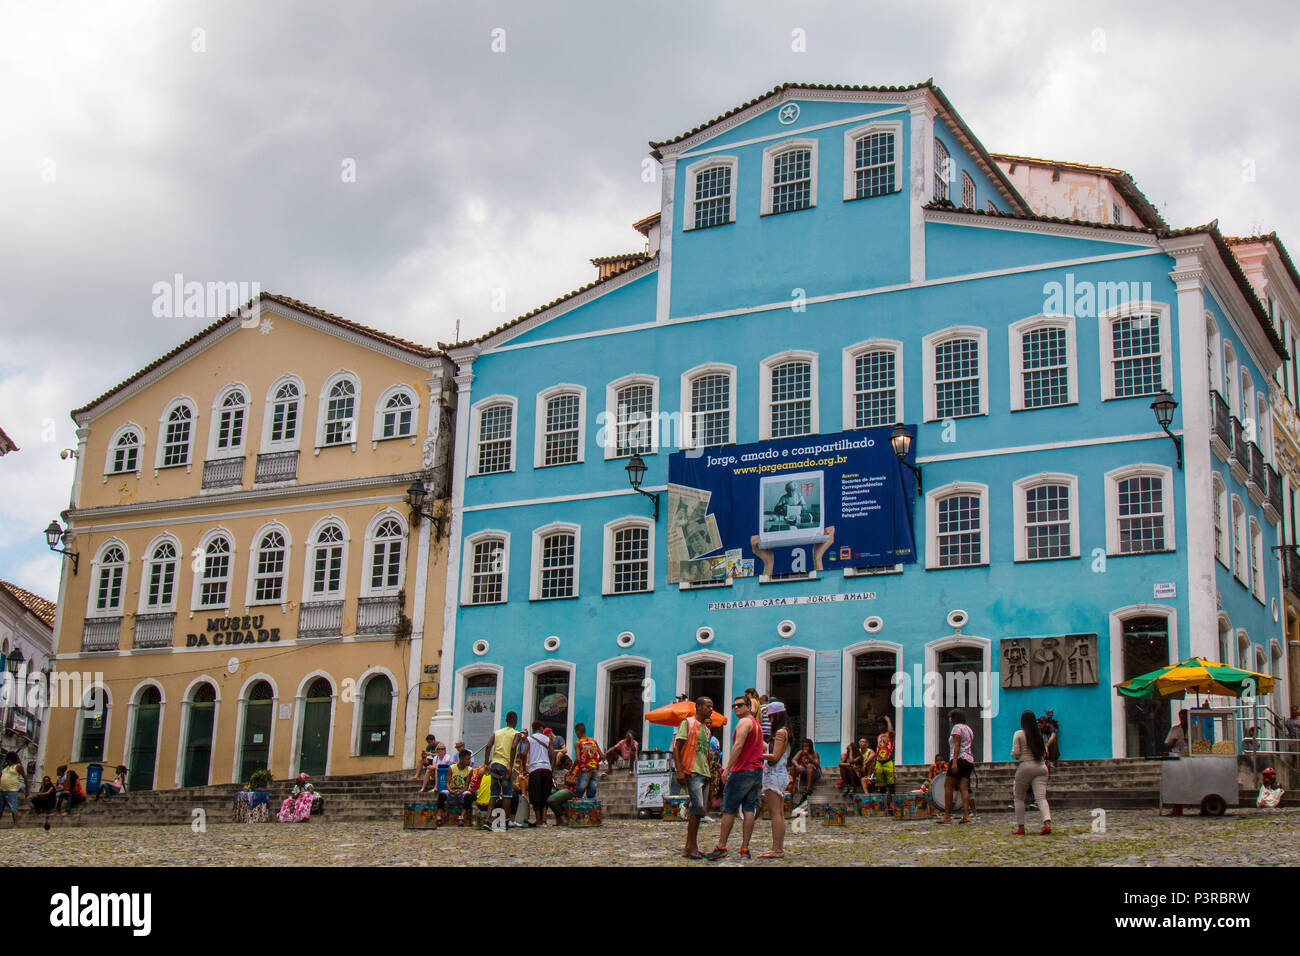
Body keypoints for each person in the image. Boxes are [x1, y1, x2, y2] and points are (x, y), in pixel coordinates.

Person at [706, 695, 764, 861]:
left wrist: (728, 768)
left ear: (748, 707)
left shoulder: (744, 722)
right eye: (734, 706)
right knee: (748, 809)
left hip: (742, 771)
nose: (736, 708)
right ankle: (745, 848)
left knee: (729, 809)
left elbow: (738, 745)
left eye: (740, 705)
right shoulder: (756, 724)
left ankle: (721, 846)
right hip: (755, 771)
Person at [673, 696, 715, 860]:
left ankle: (692, 845)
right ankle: (689, 847)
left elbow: (705, 753)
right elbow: (677, 748)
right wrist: (680, 771)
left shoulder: (706, 729)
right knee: (696, 808)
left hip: (704, 772)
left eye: (712, 707)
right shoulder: (688, 723)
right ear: (698, 707)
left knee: (699, 811)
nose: (711, 709)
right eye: (708, 706)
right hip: (692, 771)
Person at [759, 701, 792, 859]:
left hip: (774, 774)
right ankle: (777, 848)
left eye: (771, 717)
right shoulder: (784, 732)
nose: (770, 721)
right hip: (777, 774)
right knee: (778, 813)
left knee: (776, 813)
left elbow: (775, 756)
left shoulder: (780, 733)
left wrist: (757, 756)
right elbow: (772, 750)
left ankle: (777, 849)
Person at [1010, 710, 1051, 834]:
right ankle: (1047, 823)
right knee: (1041, 798)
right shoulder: (1038, 734)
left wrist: (1013, 754)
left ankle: (1021, 827)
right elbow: (1044, 753)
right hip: (1041, 767)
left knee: (1019, 798)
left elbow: (1016, 753)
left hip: (1025, 766)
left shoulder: (1019, 734)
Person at [485, 711, 523, 831]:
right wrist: (510, 766)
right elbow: (513, 748)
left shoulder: (497, 732)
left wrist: (486, 763)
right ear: (515, 721)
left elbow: (488, 746)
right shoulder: (516, 734)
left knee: (494, 794)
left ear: (506, 720)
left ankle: (488, 819)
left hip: (495, 764)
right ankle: (503, 821)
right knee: (507, 795)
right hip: (505, 765)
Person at [940, 709, 974, 825]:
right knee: (964, 788)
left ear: (954, 718)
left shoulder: (956, 728)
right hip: (969, 760)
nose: (949, 719)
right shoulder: (968, 729)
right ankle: (965, 815)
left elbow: (957, 745)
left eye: (950, 717)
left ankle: (947, 815)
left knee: (948, 786)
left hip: (959, 759)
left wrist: (954, 762)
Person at [524, 721, 558, 827]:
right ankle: (544, 819)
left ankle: (538, 820)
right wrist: (551, 768)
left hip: (535, 769)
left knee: (535, 795)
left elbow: (524, 753)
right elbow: (554, 755)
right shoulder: (547, 739)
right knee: (545, 795)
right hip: (546, 769)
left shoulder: (529, 739)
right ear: (540, 728)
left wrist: (524, 767)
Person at [440, 749, 476, 826]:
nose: (469, 761)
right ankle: (439, 816)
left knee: (468, 795)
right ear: (462, 759)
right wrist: (451, 791)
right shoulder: (452, 768)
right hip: (452, 790)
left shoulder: (469, 770)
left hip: (462, 791)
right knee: (442, 794)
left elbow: (467, 785)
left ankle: (461, 816)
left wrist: (461, 791)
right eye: (468, 759)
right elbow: (447, 783)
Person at [572, 723, 602, 799]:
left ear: (578, 732)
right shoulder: (593, 741)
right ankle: (590, 810)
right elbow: (602, 756)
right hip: (594, 769)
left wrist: (571, 769)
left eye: (576, 733)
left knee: (578, 794)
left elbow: (578, 759)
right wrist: (595, 762)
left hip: (584, 770)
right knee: (591, 795)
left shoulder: (578, 743)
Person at [790, 738, 821, 807]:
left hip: (815, 772)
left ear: (810, 747)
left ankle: (808, 789)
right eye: (804, 746)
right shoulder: (801, 752)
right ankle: (791, 788)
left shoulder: (814, 753)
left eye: (807, 746)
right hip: (805, 771)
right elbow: (793, 760)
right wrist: (797, 765)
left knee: (810, 766)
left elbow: (817, 765)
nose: (805, 748)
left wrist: (808, 756)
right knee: (793, 768)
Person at [875, 715, 896, 813]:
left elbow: (891, 731)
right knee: (881, 785)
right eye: (878, 726)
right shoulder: (879, 736)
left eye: (882, 725)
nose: (880, 728)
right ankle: (884, 805)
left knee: (891, 784)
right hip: (879, 762)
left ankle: (892, 804)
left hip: (888, 762)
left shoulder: (889, 735)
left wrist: (888, 721)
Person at [548, 754, 577, 825]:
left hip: (572, 792)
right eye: (566, 765)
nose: (568, 766)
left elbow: (577, 783)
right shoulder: (567, 773)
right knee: (550, 793)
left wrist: (568, 783)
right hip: (566, 791)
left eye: (568, 763)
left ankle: (563, 820)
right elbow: (565, 784)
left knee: (550, 800)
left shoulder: (577, 770)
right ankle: (560, 820)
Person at [1, 751, 27, 828]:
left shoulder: (18, 766)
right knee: (0, 808)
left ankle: (16, 824)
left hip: (12, 790)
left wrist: (27, 790)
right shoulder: (5, 768)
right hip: (2, 789)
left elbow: (24, 777)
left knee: (13, 807)